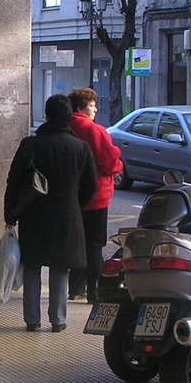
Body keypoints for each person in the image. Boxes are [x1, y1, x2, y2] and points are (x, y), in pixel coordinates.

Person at [3, 94, 97, 332]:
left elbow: (13, 181)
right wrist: (76, 204)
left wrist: (10, 213)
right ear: (68, 117)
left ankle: (32, 320)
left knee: (32, 266)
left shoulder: (31, 145)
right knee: (60, 267)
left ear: (46, 115)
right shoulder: (80, 148)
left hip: (33, 215)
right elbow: (91, 187)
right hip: (67, 214)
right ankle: (58, 319)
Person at [66, 87, 123, 304]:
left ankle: (74, 287)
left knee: (76, 241)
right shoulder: (94, 131)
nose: (95, 109)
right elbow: (110, 161)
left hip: (70, 196)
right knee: (94, 243)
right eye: (92, 106)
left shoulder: (65, 127)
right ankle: (93, 290)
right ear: (82, 107)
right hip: (96, 196)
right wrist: (117, 167)